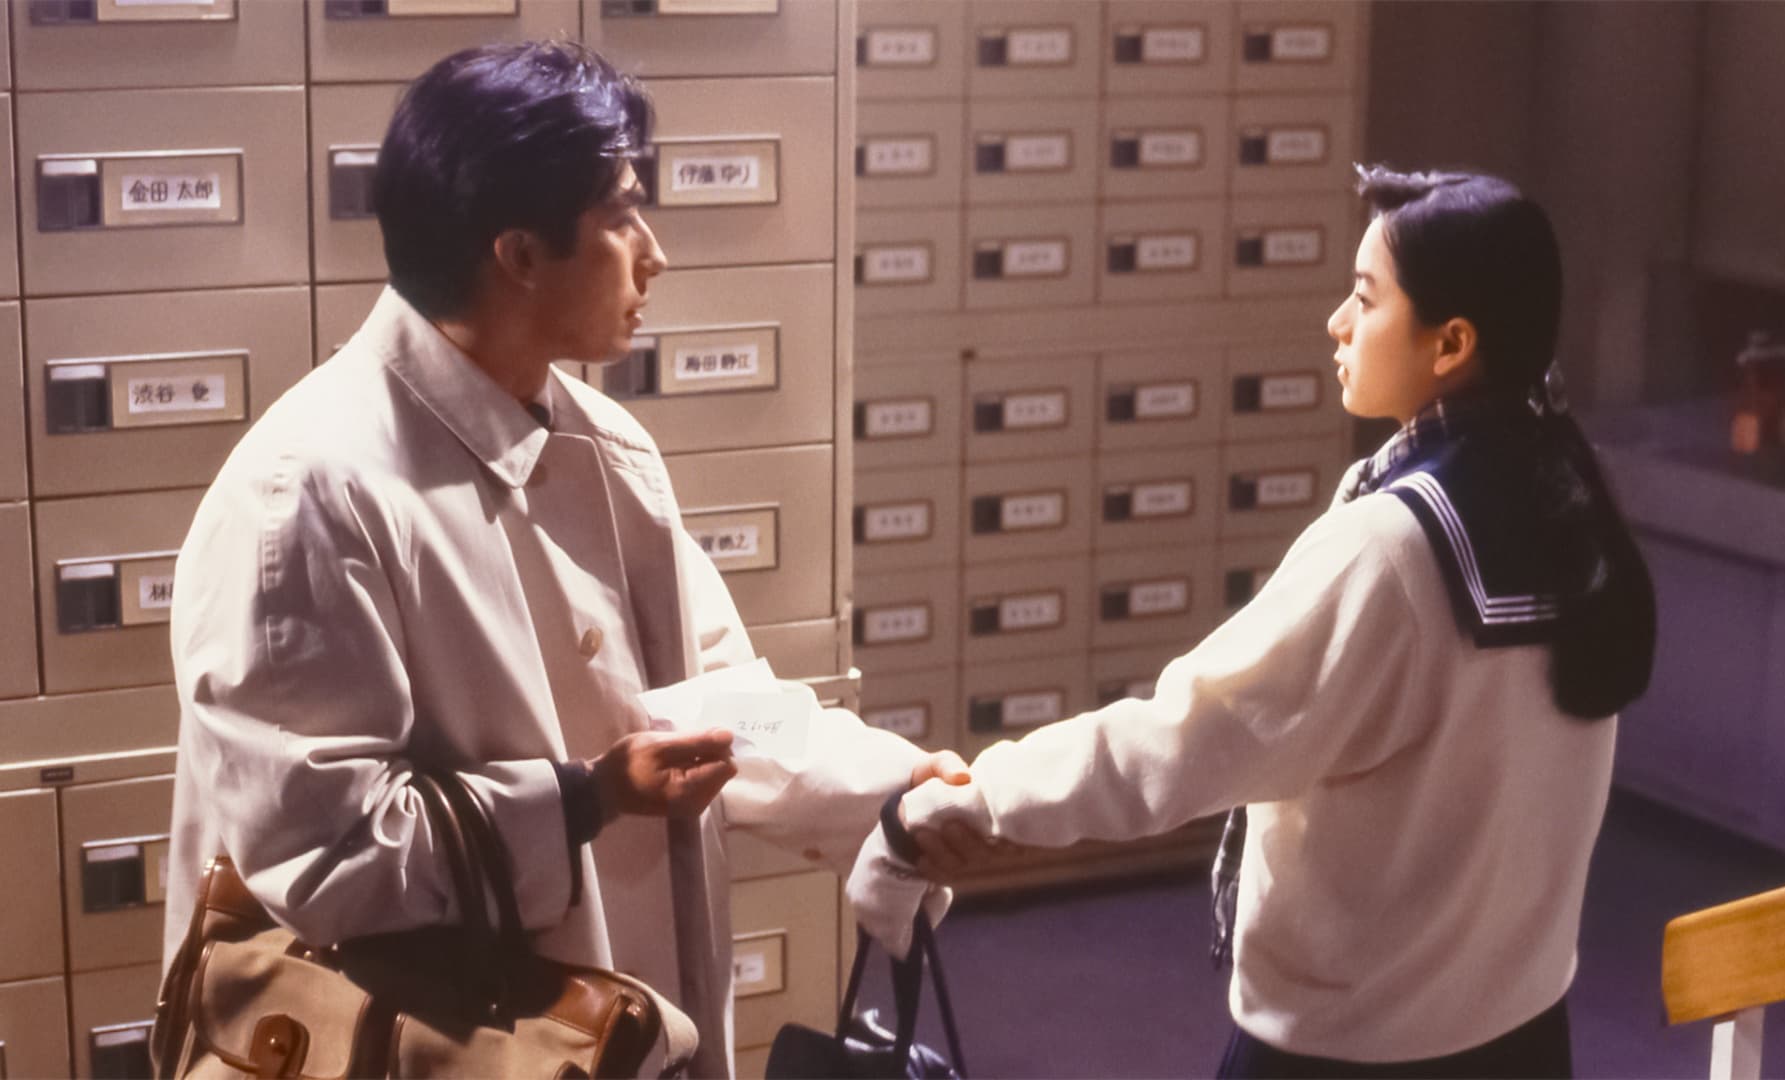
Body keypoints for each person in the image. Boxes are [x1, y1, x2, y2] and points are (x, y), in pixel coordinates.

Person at [162, 41, 967, 1078]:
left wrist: (894, 789)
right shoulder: (309, 491)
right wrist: (586, 797)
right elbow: (328, 859)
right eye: (622, 213)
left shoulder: (605, 445)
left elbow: (718, 704)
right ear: (520, 254)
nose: (654, 253)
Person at [850, 166, 1657, 1078]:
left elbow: (1180, 741)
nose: (1337, 322)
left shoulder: (1392, 550)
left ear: (1451, 343)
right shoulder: (1566, 502)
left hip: (1353, 1060)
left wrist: (962, 803)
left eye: (1366, 298)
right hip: (1522, 1037)